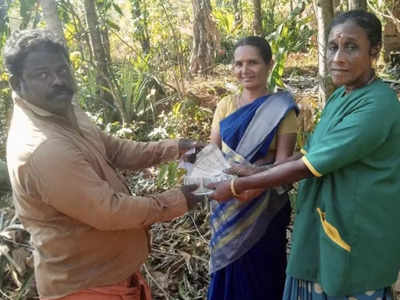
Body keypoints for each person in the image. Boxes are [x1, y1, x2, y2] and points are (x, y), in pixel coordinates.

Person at [209, 10, 400, 300]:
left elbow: (307, 167)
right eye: (333, 47)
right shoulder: (341, 96)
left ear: (374, 50)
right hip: (321, 224)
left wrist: (238, 185)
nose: (338, 58)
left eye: (351, 47)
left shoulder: (377, 106)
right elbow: (309, 152)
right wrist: (254, 173)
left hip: (355, 228)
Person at [3, 29, 204, 300]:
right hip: (86, 287)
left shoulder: (64, 110)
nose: (57, 81)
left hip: (112, 273)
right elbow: (110, 211)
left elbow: (116, 149)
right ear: (17, 83)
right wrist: (183, 199)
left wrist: (175, 148)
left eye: (62, 70)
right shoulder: (42, 148)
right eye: (42, 75)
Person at [207, 36, 299, 300]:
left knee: (262, 277)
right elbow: (212, 154)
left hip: (264, 210)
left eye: (252, 63)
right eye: (238, 64)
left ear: (269, 64)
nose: (244, 70)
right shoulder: (225, 105)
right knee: (228, 271)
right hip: (226, 206)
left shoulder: (283, 109)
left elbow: (283, 167)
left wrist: (247, 188)